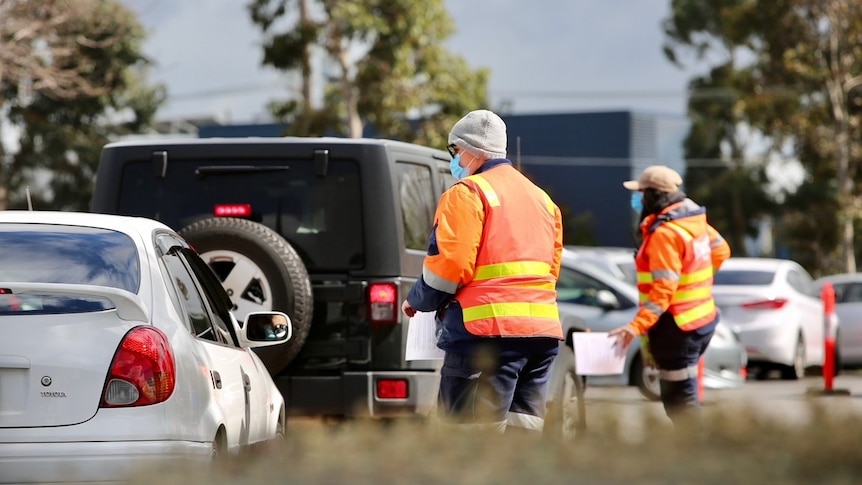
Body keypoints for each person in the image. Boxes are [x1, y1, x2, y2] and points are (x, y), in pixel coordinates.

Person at [401, 109, 564, 434]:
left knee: (467, 441)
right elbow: (552, 267)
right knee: (522, 437)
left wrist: (417, 300)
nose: (455, 159)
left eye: (455, 151)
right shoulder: (543, 200)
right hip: (543, 335)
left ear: (473, 150)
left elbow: (448, 269)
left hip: (486, 335)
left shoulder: (467, 194)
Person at [609, 165, 730, 426]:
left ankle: (697, 454)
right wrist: (696, 279)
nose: (638, 200)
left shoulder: (665, 234)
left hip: (678, 327)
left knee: (679, 400)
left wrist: (634, 327)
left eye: (641, 194)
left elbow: (663, 291)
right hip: (701, 320)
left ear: (654, 196)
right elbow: (722, 251)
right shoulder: (693, 224)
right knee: (683, 395)